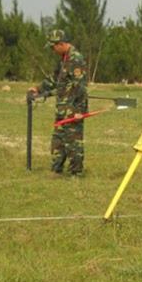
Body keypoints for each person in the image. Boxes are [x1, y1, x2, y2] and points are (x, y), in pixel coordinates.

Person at [28, 29, 88, 176]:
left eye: (53, 46)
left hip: (72, 109)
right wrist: (38, 89)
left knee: (73, 142)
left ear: (61, 44)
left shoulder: (76, 59)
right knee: (58, 140)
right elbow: (54, 79)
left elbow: (80, 87)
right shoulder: (63, 59)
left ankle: (76, 173)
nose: (52, 50)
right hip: (61, 109)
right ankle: (56, 169)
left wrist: (80, 111)